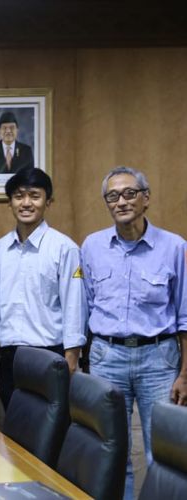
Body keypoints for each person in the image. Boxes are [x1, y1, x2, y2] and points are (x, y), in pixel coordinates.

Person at [81, 166, 187, 498]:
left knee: (164, 452)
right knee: (113, 450)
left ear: (146, 199)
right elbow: (85, 308)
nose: (121, 202)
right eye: (113, 196)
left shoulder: (174, 247)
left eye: (130, 193)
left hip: (159, 358)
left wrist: (185, 373)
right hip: (106, 357)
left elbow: (185, 315)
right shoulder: (92, 246)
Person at [0, 167, 86, 410]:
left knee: (49, 437)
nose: (26, 203)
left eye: (34, 195)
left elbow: (74, 307)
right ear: (10, 203)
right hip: (9, 357)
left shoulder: (65, 248)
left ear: (48, 201)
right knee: (13, 436)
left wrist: (71, 359)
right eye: (19, 196)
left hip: (51, 355)